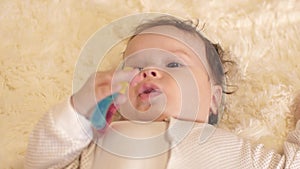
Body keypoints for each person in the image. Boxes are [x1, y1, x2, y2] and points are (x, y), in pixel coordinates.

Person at [25, 16, 300, 169]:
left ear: (213, 100)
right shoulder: (100, 139)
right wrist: (79, 110)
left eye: (173, 64)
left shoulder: (232, 149)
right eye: (136, 66)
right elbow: (41, 163)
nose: (149, 72)